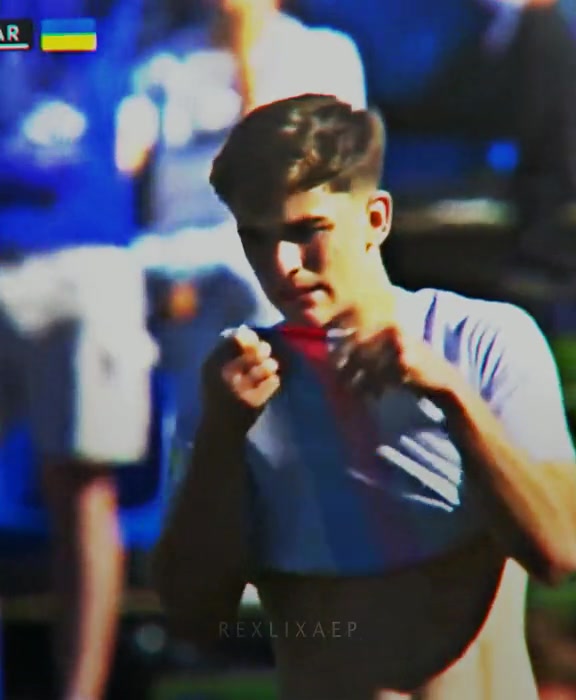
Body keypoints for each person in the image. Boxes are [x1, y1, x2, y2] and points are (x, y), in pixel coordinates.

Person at [152, 94, 576, 699]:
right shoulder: (233, 384)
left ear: (376, 219)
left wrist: (451, 396)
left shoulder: (480, 342)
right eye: (256, 238)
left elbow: (559, 551)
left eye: (306, 231)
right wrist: (221, 435)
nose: (281, 264)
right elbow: (193, 615)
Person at [0, 1, 156, 699]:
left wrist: (12, 32)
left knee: (85, 485)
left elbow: (79, 33)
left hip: (86, 254)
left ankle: (81, 693)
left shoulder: (89, 18)